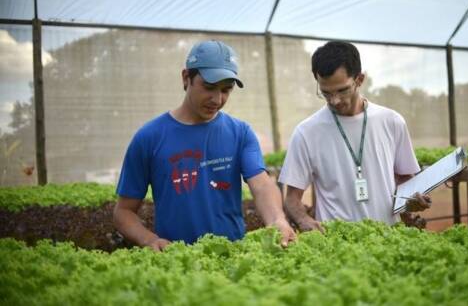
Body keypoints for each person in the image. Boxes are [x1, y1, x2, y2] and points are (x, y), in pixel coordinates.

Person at [114, 40, 296, 251]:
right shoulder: (149, 137)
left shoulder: (241, 132)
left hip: (233, 257)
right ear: (186, 78)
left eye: (226, 90)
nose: (217, 99)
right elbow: (123, 212)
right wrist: (150, 240)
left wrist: (277, 219)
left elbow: (262, 185)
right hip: (175, 259)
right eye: (209, 87)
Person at [278, 41, 431, 232]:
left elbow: (405, 178)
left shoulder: (392, 121)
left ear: (359, 79)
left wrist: (412, 199)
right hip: (336, 241)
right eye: (325, 92)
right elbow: (292, 199)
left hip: (388, 235)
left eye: (342, 90)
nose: (334, 100)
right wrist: (303, 220)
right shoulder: (306, 132)